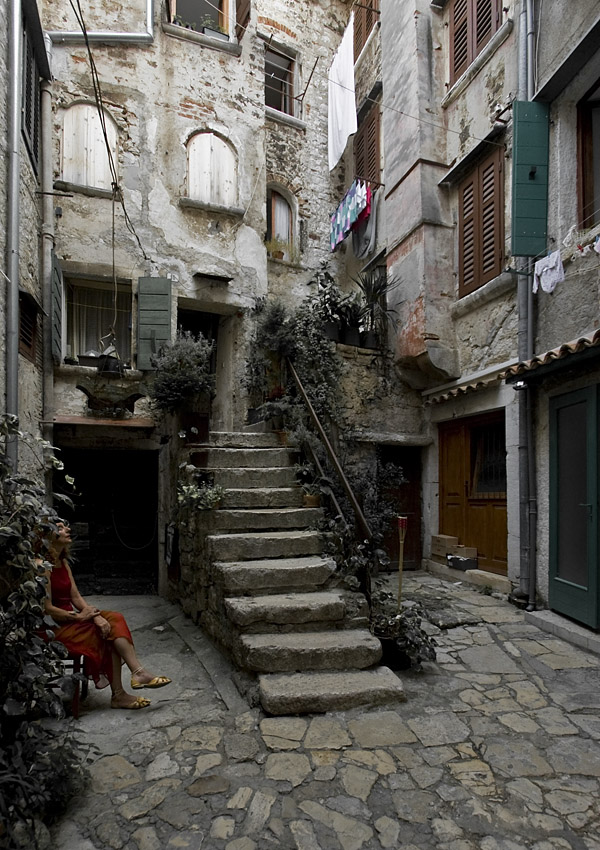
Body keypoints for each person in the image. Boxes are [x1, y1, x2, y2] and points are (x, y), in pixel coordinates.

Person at [39, 521, 171, 710]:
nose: (67, 529)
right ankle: (122, 692)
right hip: (52, 627)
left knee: (112, 620)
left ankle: (135, 675)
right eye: (60, 527)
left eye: (66, 526)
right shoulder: (43, 565)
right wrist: (78, 618)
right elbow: (47, 609)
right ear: (46, 535)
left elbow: (75, 597)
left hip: (69, 619)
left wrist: (94, 616)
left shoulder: (63, 561)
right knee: (107, 635)